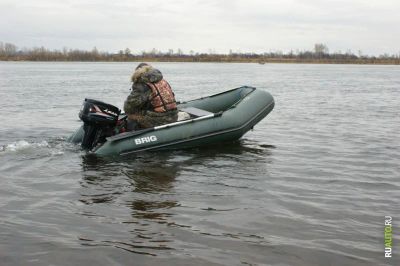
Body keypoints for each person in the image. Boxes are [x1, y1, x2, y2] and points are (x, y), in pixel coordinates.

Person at [123, 63, 178, 130]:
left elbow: (129, 106)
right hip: (174, 116)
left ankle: (132, 136)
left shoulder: (142, 83)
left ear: (138, 72)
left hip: (160, 120)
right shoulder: (163, 81)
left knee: (131, 115)